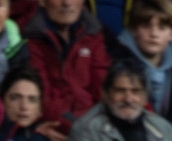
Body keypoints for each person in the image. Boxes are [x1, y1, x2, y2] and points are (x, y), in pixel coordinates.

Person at [23, 0, 111, 130]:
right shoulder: (30, 38)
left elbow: (103, 90)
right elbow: (42, 99)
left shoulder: (93, 34)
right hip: (53, 129)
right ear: (42, 1)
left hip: (92, 128)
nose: (67, 3)